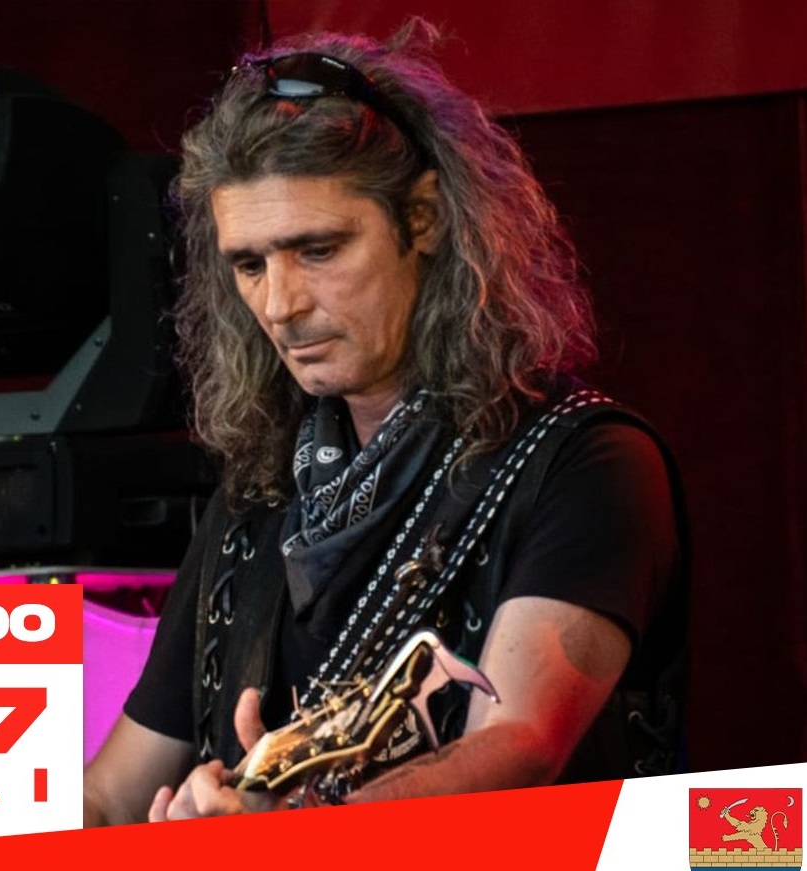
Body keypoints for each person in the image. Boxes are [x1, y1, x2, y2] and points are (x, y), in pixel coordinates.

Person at [83, 19, 688, 825]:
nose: (279, 304)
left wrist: (298, 824)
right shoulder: (259, 498)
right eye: (249, 264)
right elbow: (111, 795)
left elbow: (516, 744)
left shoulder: (585, 462)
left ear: (423, 218)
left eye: (318, 250)